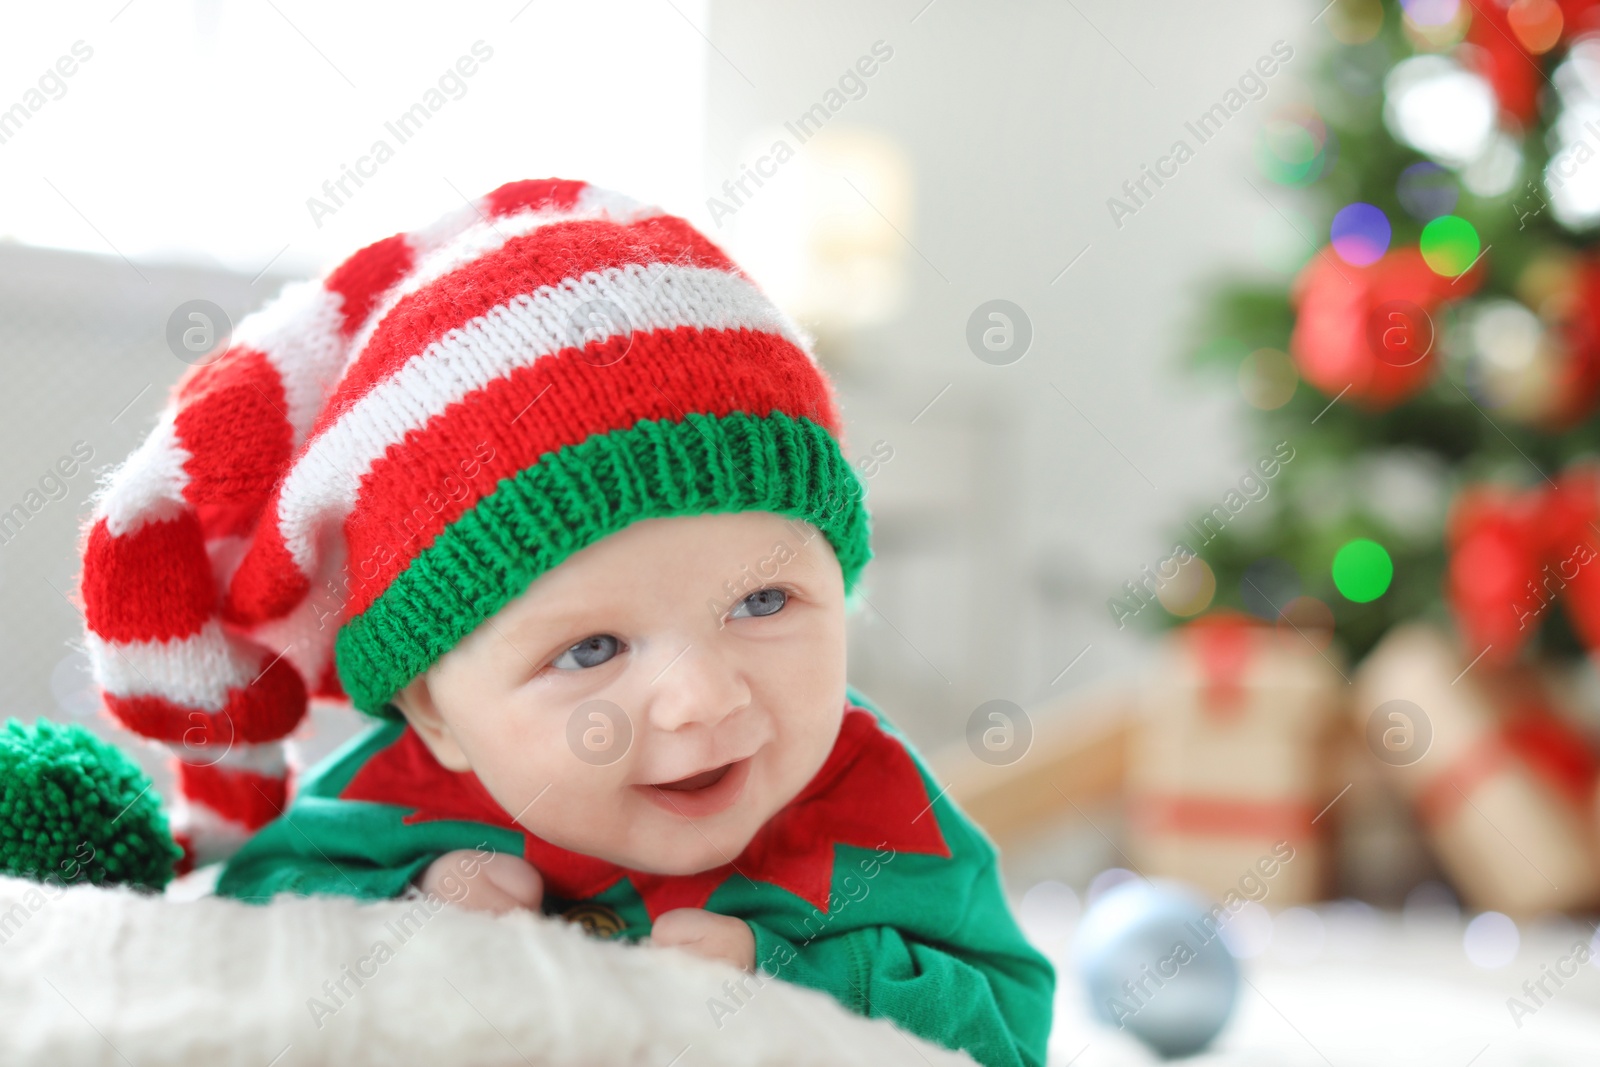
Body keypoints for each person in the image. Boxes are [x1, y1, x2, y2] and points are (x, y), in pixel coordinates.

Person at [77, 178, 1053, 1067]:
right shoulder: (389, 803)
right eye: (590, 648)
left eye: (764, 600)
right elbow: (250, 930)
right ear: (435, 712)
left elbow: (1012, 1021)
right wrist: (416, 910)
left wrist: (806, 977)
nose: (702, 697)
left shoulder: (876, 807)